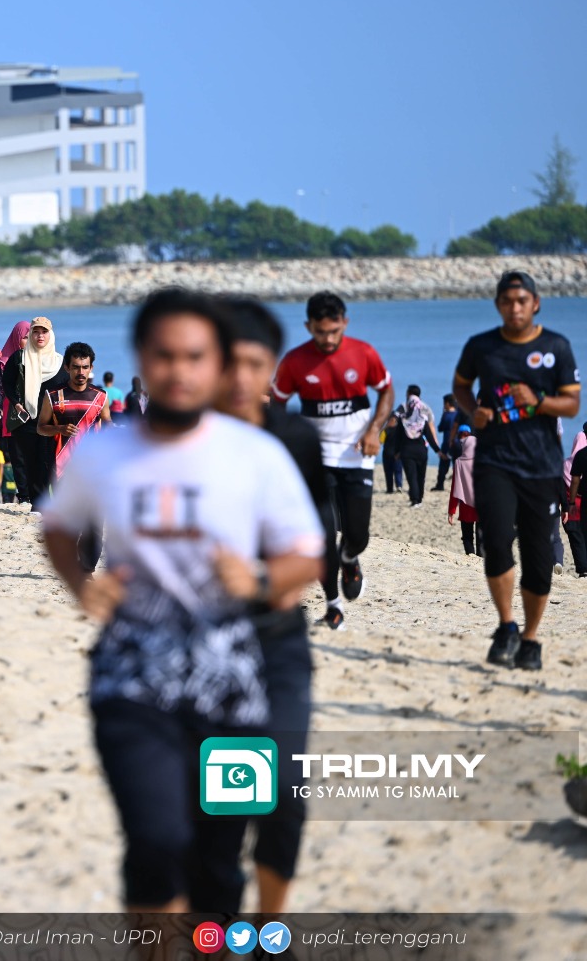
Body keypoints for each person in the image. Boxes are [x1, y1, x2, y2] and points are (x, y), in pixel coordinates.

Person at [39, 288, 323, 915]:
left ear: (214, 364)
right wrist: (84, 587)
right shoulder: (107, 450)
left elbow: (308, 552)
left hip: (236, 685)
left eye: (195, 356)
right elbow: (57, 526)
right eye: (164, 355)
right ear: (142, 358)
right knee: (157, 840)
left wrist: (258, 581)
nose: (179, 370)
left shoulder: (259, 453)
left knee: (220, 866)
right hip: (131, 679)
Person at [216, 296, 330, 915]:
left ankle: (269, 927)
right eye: (227, 363)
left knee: (284, 789)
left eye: (253, 365)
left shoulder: (293, 438)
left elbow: (313, 553)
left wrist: (260, 581)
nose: (239, 380)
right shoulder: (174, 441)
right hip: (199, 648)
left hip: (277, 638)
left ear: (271, 373)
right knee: (225, 807)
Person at [452, 270, 580, 671]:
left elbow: (572, 406)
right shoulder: (481, 346)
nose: (515, 308)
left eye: (522, 301)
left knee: (539, 557)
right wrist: (474, 412)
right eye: (507, 301)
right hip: (494, 462)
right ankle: (507, 625)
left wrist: (539, 401)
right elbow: (459, 387)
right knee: (496, 543)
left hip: (541, 465)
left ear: (536, 303)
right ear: (498, 305)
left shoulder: (556, 346)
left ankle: (530, 638)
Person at [273, 291, 394, 631]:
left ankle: (349, 558)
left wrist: (375, 431)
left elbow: (386, 390)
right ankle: (333, 605)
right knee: (323, 534)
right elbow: (277, 405)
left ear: (345, 323)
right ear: (308, 326)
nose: (327, 339)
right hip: (318, 458)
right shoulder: (295, 362)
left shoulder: (363, 353)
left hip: (357, 455)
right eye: (320, 332)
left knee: (358, 536)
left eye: (334, 331)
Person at [37, 340, 110, 570]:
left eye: (85, 367)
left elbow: (107, 426)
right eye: (76, 367)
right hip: (63, 467)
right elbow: (41, 427)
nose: (81, 372)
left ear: (91, 368)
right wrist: (59, 429)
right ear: (67, 367)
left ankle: (87, 567)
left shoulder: (100, 397)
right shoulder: (53, 396)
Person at [0, 317, 65, 505]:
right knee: (31, 463)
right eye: (35, 332)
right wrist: (16, 403)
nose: (39, 336)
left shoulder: (60, 362)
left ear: (50, 334)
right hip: (27, 420)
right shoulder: (20, 357)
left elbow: (68, 388)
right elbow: (7, 383)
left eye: (44, 332)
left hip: (52, 422)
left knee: (51, 463)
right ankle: (38, 504)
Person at [397, 384, 439, 506]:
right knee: (421, 475)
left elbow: (397, 435)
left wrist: (396, 451)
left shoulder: (403, 410)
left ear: (409, 394)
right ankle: (419, 498)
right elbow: (430, 432)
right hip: (422, 449)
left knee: (412, 476)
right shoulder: (425, 410)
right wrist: (437, 449)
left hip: (407, 449)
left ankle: (415, 499)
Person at [448, 425, 482, 556]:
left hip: (466, 506)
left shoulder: (459, 463)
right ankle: (480, 558)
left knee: (467, 537)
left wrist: (451, 511)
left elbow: (454, 489)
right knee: (481, 537)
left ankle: (470, 555)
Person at [564, 423, 587, 576]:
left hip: (580, 504)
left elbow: (575, 481)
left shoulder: (579, 456)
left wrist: (570, 503)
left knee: (581, 537)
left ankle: (584, 569)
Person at [432, 393, 463, 491]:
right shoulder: (459, 414)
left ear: (448, 404)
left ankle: (440, 485)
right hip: (458, 442)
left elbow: (440, 428)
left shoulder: (447, 415)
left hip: (447, 442)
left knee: (443, 466)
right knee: (457, 466)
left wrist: (443, 413)